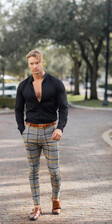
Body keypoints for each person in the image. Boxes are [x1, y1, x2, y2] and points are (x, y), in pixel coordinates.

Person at [15, 49, 68, 221]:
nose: (34, 66)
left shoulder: (56, 83)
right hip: (30, 131)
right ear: (28, 65)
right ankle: (37, 206)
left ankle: (55, 199)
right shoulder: (23, 85)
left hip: (50, 132)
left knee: (54, 171)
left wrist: (60, 128)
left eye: (37, 62)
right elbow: (18, 109)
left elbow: (64, 108)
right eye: (31, 64)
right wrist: (22, 130)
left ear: (42, 62)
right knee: (33, 171)